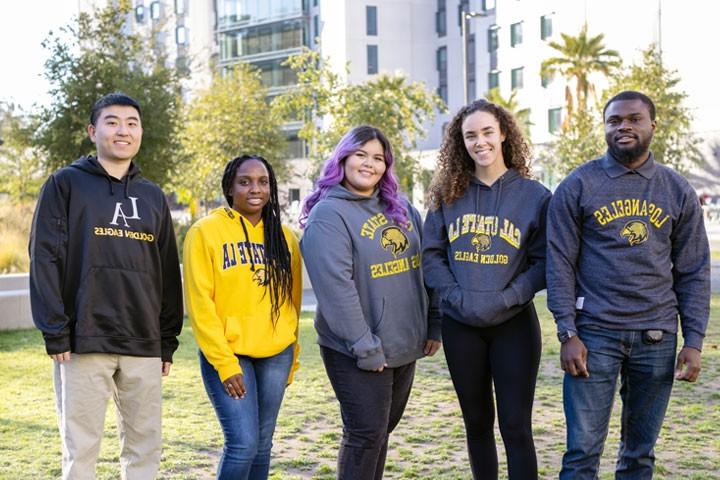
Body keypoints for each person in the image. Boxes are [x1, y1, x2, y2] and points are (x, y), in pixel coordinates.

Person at [547, 90, 711, 479]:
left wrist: (694, 341)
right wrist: (567, 331)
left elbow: (693, 270)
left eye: (634, 119)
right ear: (604, 127)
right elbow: (559, 263)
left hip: (656, 336)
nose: (624, 126)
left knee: (639, 454)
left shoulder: (676, 189)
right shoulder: (578, 185)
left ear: (652, 125)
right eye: (614, 120)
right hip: (594, 334)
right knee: (582, 453)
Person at [28, 92, 183, 479]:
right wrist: (56, 330)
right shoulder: (65, 184)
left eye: (132, 123)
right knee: (81, 451)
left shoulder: (152, 197)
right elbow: (44, 258)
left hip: (143, 342)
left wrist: (167, 339)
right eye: (112, 122)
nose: (123, 131)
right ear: (92, 130)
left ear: (141, 132)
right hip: (83, 341)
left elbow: (166, 270)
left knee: (144, 449)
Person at [300, 125, 441, 480]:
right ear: (343, 158)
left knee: (380, 435)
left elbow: (427, 267)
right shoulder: (328, 215)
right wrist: (364, 346)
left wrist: (434, 323)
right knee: (365, 436)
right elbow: (336, 290)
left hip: (403, 345)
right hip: (357, 349)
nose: (370, 164)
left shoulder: (402, 207)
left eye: (378, 158)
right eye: (361, 155)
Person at [422, 99, 550, 479]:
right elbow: (431, 255)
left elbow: (544, 262)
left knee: (515, 427)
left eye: (487, 132)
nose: (480, 142)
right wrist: (456, 297)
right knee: (477, 425)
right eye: (470, 135)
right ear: (460, 143)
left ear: (504, 133)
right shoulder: (447, 194)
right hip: (461, 325)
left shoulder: (534, 195)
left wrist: (508, 297)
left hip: (514, 325)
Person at [183, 155, 302, 479]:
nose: (256, 189)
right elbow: (200, 304)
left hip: (275, 355)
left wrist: (292, 356)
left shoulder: (285, 237)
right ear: (229, 187)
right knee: (243, 444)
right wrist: (224, 362)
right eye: (245, 181)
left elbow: (293, 301)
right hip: (229, 354)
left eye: (263, 182)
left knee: (263, 445)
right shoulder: (205, 232)